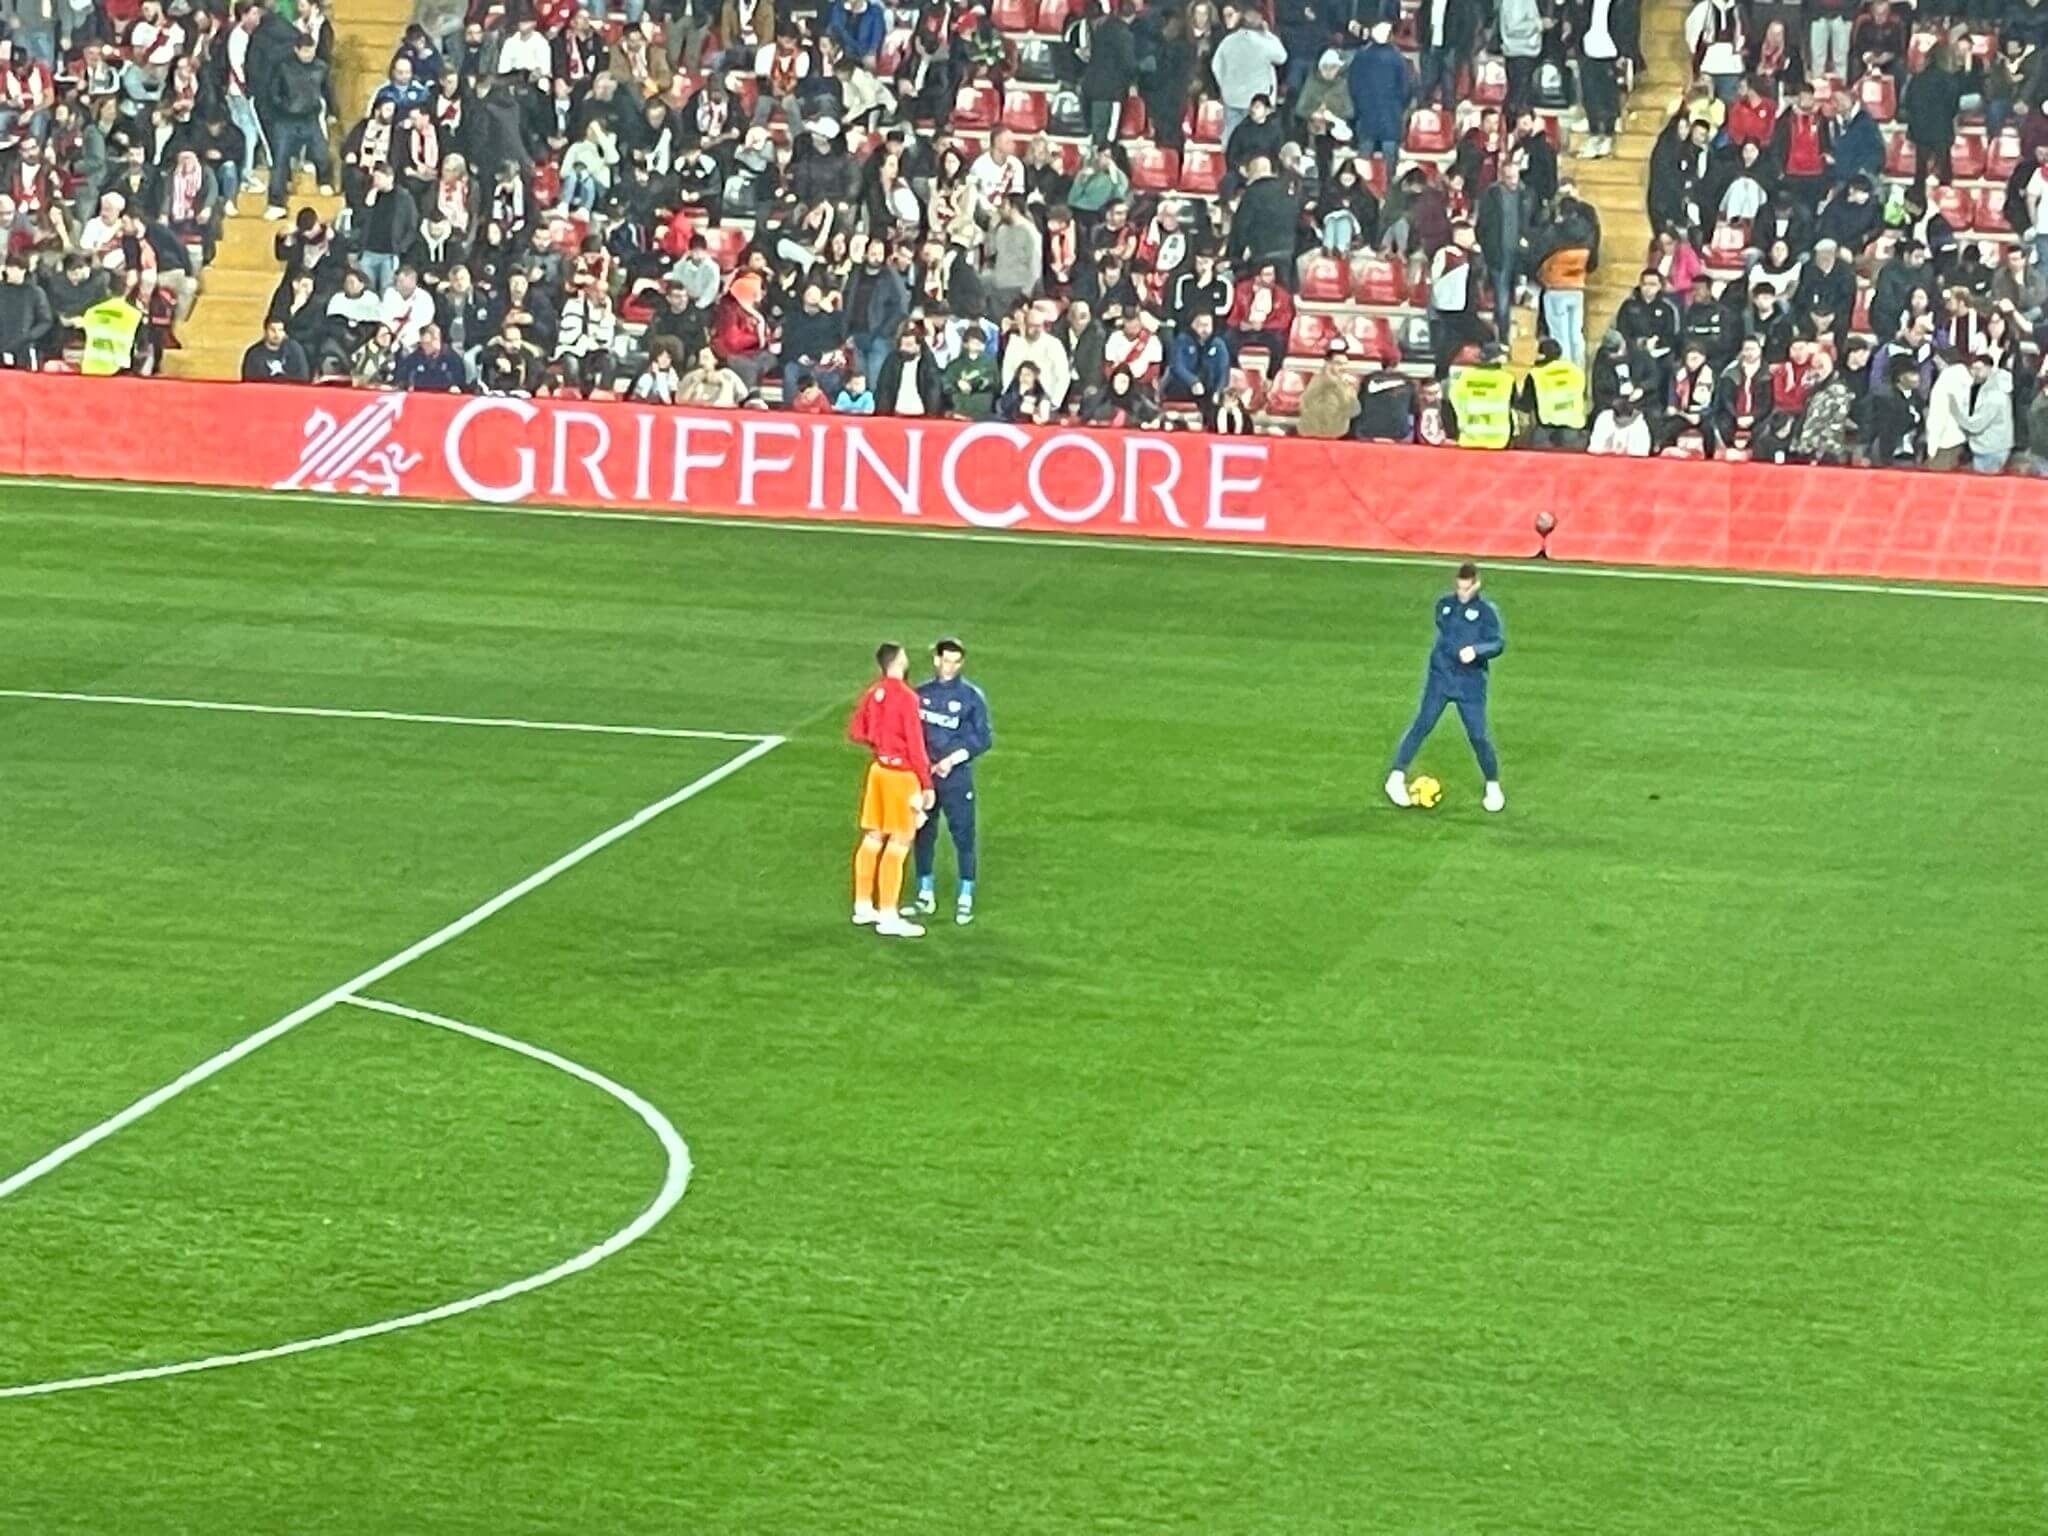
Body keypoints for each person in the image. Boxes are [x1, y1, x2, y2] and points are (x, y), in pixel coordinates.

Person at [1385, 562, 1507, 813]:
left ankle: (1493, 785)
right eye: (1459, 588)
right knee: (1422, 724)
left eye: (1467, 589)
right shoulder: (1444, 605)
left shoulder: (1486, 612)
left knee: (1478, 735)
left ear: (1476, 584)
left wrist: (1476, 650)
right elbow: (1447, 634)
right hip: (1440, 678)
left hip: (1470, 683)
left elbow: (1497, 643)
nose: (1462, 593)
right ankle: (1395, 778)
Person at [848, 643, 936, 939]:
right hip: (901, 776)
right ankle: (888, 915)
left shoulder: (874, 692)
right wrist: (926, 783)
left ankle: (862, 905)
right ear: (898, 661)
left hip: (878, 772)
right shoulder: (907, 697)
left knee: (873, 836)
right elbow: (915, 742)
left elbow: (856, 730)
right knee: (900, 841)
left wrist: (880, 745)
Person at [907, 638, 993, 925]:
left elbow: (982, 739)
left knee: (964, 836)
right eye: (947, 661)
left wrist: (952, 760)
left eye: (956, 662)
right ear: (936, 661)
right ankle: (924, 894)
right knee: (923, 834)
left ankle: (965, 896)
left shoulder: (970, 697)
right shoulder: (920, 695)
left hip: (956, 778)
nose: (951, 667)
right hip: (925, 778)